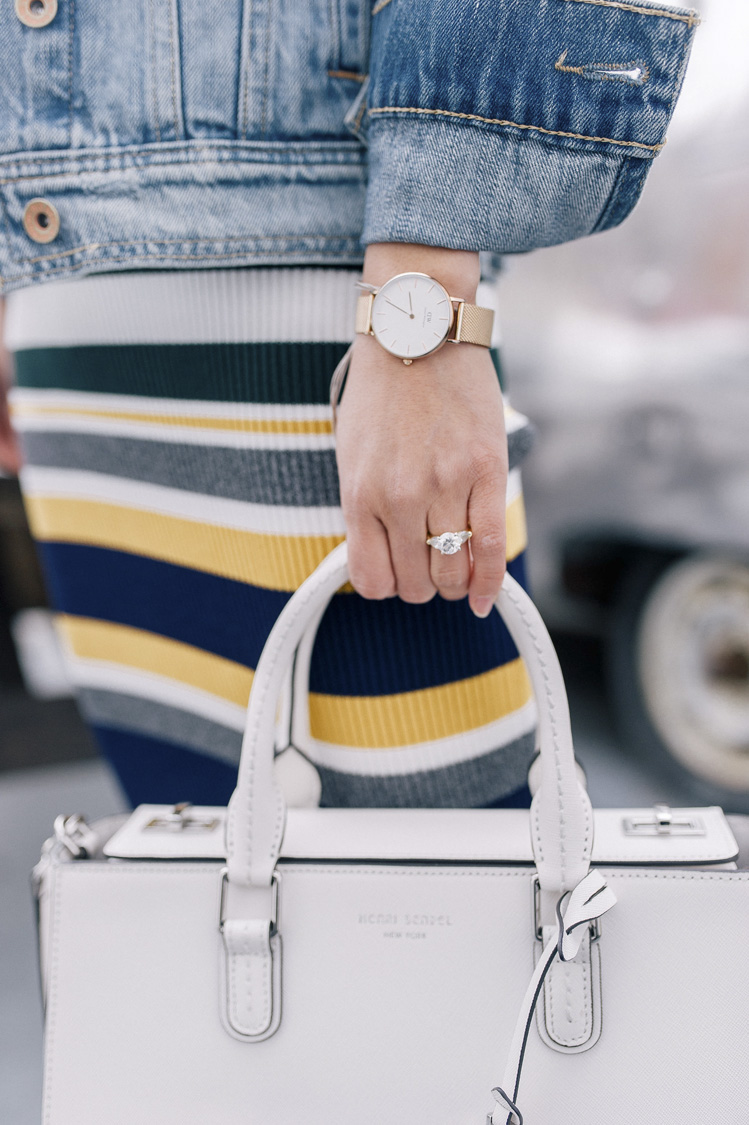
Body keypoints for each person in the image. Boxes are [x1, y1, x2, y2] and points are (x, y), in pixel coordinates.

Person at [0, 0, 698, 808]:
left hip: (332, 298)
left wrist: (426, 300)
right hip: (64, 297)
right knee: (191, 843)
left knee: (439, 880)